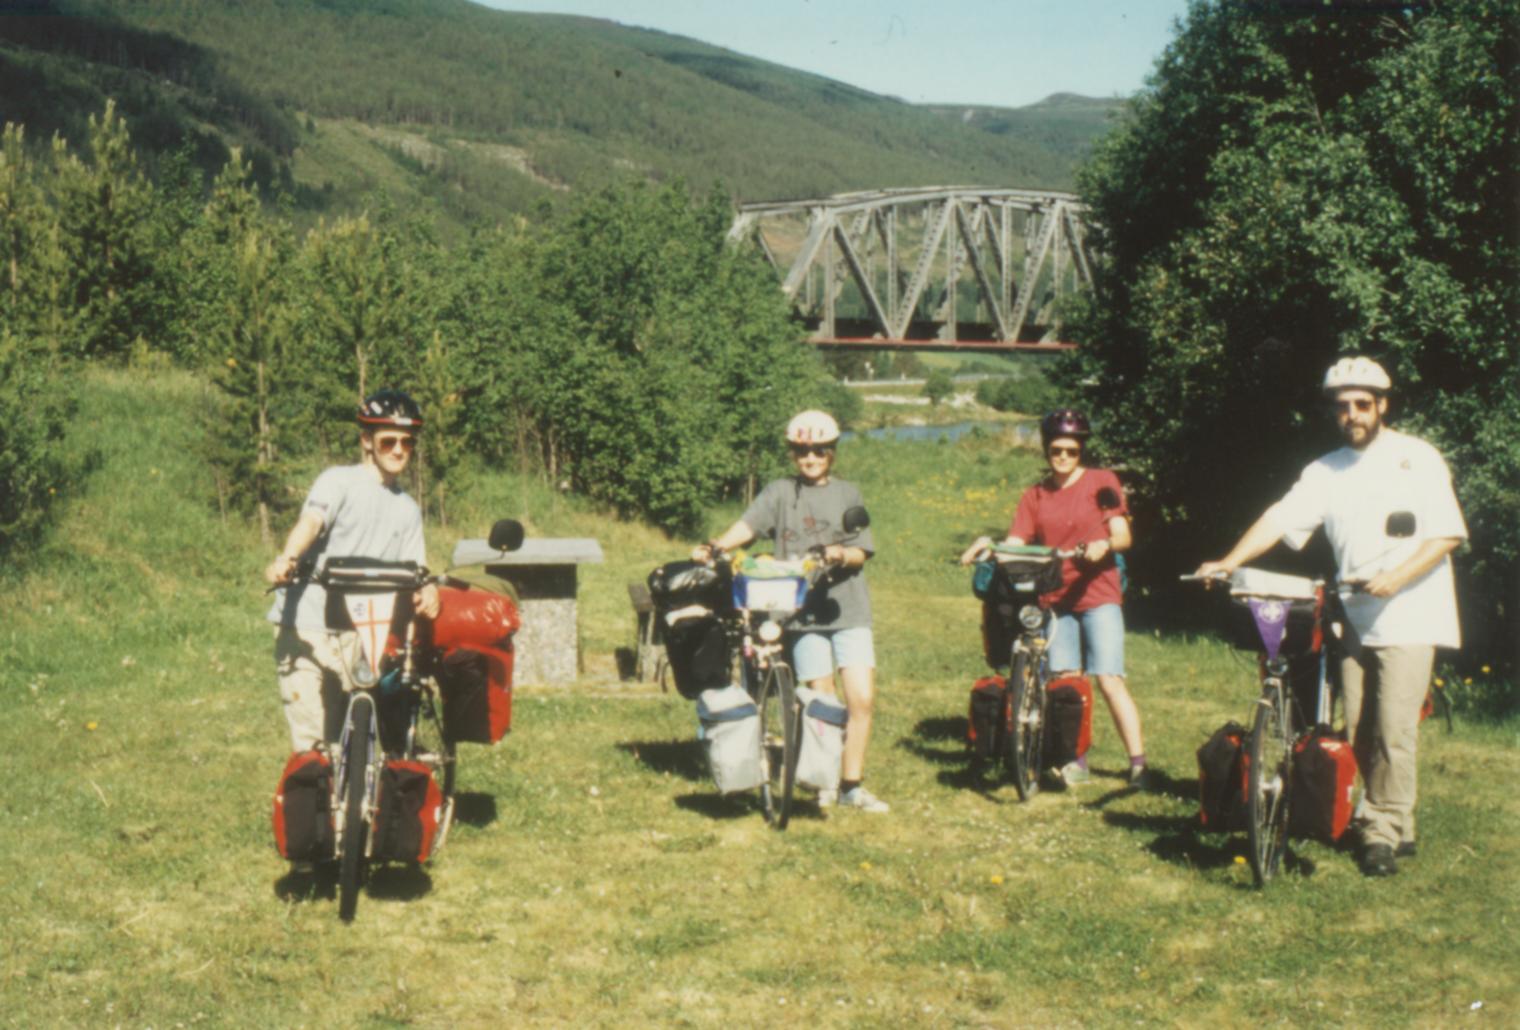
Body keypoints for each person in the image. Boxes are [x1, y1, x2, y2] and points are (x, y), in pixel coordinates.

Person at [1195, 356, 1465, 877]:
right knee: (1360, 729)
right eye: (1342, 407)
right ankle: (1395, 820)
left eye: (1363, 404)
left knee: (1394, 729)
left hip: (1411, 611)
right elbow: (1280, 516)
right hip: (1356, 615)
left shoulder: (1417, 457)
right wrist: (1231, 560)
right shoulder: (1326, 470)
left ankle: (1381, 830)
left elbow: (1447, 534)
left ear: (1383, 406)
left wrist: (1397, 577)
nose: (1353, 415)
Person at [693, 410, 887, 813]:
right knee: (822, 701)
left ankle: (853, 784)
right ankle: (826, 782)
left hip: (848, 610)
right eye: (802, 451)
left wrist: (838, 552)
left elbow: (860, 551)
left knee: (861, 699)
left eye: (818, 450)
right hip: (801, 615)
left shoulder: (847, 494)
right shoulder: (780, 492)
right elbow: (747, 526)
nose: (810, 458)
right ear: (792, 453)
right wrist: (718, 547)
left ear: (831, 453)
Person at [960, 408, 1146, 787]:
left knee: (1109, 678)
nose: (1062, 457)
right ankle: (1074, 760)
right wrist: (989, 546)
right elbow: (1017, 544)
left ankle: (1138, 762)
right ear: (1046, 450)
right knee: (1065, 683)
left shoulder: (1102, 482)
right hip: (1055, 598)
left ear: (1081, 451)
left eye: (1071, 450)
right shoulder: (1036, 495)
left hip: (1098, 595)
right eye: (1056, 450)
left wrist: (1104, 544)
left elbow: (1123, 535)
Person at [264, 389, 440, 753]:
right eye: (388, 440)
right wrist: (288, 557)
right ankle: (313, 805)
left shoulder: (407, 509)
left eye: (407, 442)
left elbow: (416, 569)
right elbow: (311, 522)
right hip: (309, 626)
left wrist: (431, 587)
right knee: (312, 742)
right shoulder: (338, 481)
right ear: (366, 441)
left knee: (349, 737)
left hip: (359, 632)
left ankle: (350, 807)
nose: (397, 450)